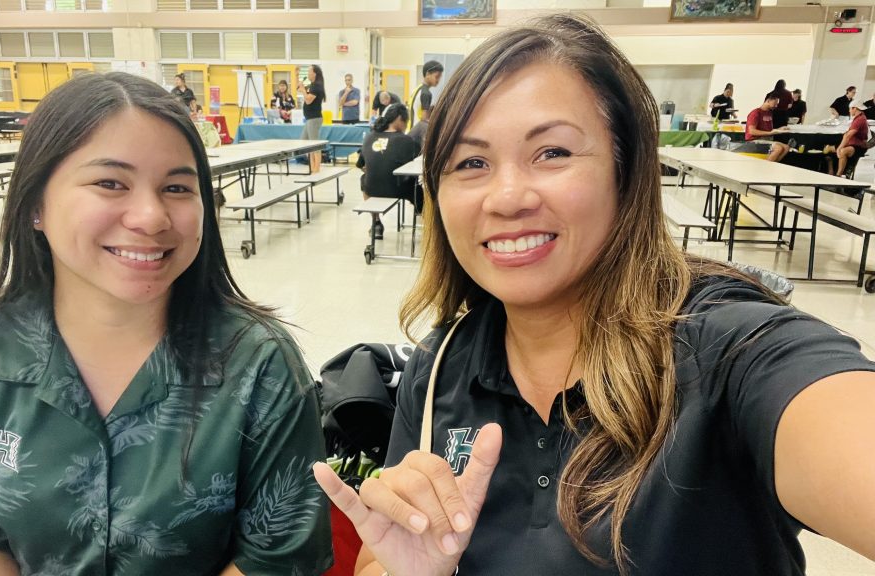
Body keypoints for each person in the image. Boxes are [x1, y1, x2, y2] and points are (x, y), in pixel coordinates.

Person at [313, 14, 875, 576]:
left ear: (626, 170)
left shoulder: (730, 351)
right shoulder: (441, 367)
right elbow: (379, 562)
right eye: (472, 162)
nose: (507, 197)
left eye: (553, 152)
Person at [0, 72, 333, 576]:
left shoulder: (257, 363)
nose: (151, 216)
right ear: (35, 202)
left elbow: (277, 559)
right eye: (110, 183)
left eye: (176, 187)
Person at [355, 103, 420, 240]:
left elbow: (360, 164)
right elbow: (417, 164)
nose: (406, 125)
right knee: (418, 188)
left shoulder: (369, 137)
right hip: (398, 189)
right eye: (406, 121)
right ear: (398, 119)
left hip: (372, 189)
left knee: (364, 179)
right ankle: (429, 222)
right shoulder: (406, 141)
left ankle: (376, 223)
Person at [746, 92, 790, 162]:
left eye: (777, 104)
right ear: (768, 100)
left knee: (786, 147)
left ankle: (772, 165)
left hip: (765, 139)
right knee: (778, 148)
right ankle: (765, 168)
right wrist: (771, 133)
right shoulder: (755, 113)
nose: (776, 106)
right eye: (775, 103)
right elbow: (752, 131)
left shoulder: (769, 113)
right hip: (754, 141)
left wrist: (779, 129)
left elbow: (769, 131)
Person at [298, 64, 325, 173]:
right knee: (304, 142)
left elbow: (308, 100)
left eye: (309, 71)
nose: (308, 74)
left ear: (315, 73)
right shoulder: (313, 85)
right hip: (310, 118)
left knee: (314, 144)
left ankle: (316, 168)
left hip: (314, 118)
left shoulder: (317, 86)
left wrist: (304, 90)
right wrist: (297, 76)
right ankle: (312, 166)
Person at [832, 99, 869, 176]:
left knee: (843, 151)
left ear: (854, 108)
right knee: (832, 149)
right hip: (853, 143)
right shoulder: (858, 117)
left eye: (850, 109)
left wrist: (839, 148)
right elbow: (847, 135)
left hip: (859, 146)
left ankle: (838, 175)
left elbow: (848, 135)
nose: (849, 111)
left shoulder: (860, 119)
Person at [408, 60, 444, 130]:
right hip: (417, 133)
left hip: (410, 130)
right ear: (427, 74)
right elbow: (424, 120)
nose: (438, 80)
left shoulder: (417, 89)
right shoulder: (426, 93)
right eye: (437, 77)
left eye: (440, 77)